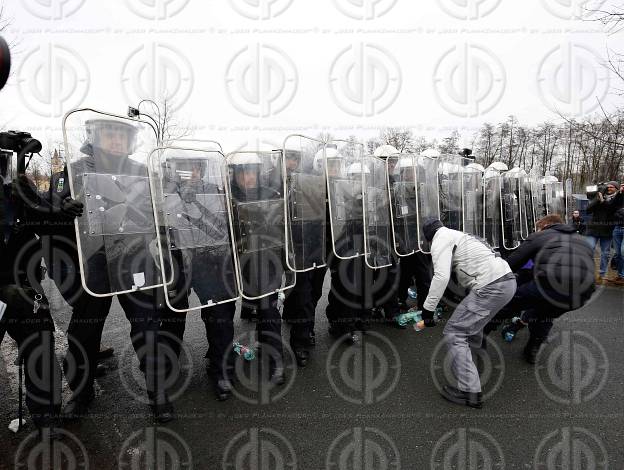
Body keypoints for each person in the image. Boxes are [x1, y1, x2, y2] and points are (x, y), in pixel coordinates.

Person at [58, 118, 178, 422]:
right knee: (84, 330)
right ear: (95, 137)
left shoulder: (142, 171)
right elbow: (53, 218)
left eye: (122, 135)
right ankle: (81, 392)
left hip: (134, 258)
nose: (116, 140)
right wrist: (61, 210)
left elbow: (159, 212)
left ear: (130, 140)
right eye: (109, 134)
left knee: (147, 326)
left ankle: (157, 392)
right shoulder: (73, 171)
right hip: (93, 262)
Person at [419, 219, 516, 409]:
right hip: (507, 281)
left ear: (428, 237)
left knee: (454, 332)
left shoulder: (440, 239)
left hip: (492, 285)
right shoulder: (458, 234)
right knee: (471, 329)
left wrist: (427, 310)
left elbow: (441, 276)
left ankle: (470, 392)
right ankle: (472, 368)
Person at [494, 214, 596, 363]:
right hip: (582, 293)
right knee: (544, 314)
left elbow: (511, 263)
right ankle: (532, 349)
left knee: (508, 302)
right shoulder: (581, 240)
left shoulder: (541, 235)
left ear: (544, 226)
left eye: (538, 228)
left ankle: (479, 334)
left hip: (550, 283)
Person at [229, 152, 288, 385]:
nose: (247, 177)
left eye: (251, 171)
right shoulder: (224, 197)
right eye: (242, 171)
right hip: (233, 260)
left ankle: (276, 360)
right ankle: (220, 362)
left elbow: (282, 232)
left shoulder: (272, 196)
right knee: (220, 314)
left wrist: (287, 263)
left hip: (266, 259)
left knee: (269, 310)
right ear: (234, 174)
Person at [282, 149, 327, 367]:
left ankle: (304, 325)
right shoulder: (273, 181)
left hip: (317, 244)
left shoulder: (312, 182)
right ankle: (300, 341)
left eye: (295, 158)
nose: (292, 162)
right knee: (302, 294)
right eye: (288, 158)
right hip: (295, 246)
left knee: (315, 291)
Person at [585, 181, 622, 282]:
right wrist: (597, 199)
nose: (609, 188)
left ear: (617, 189)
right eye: (608, 187)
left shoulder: (618, 199)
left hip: (607, 229)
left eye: (612, 187)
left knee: (605, 253)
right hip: (593, 228)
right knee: (589, 249)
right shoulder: (597, 196)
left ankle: (602, 275)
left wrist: (603, 201)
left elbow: (611, 209)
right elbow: (588, 210)